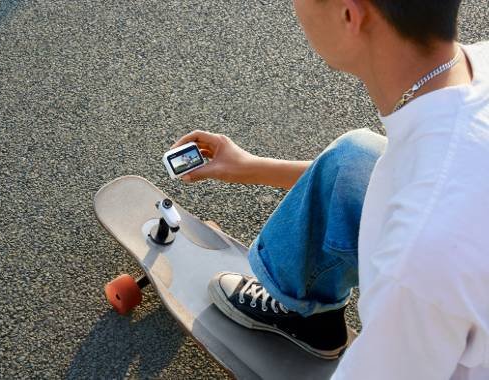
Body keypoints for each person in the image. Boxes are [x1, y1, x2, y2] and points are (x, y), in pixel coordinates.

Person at [171, 1, 489, 378]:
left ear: (350, 15)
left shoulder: (417, 259)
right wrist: (248, 167)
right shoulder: (468, 73)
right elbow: (406, 173)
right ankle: (308, 318)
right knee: (352, 160)